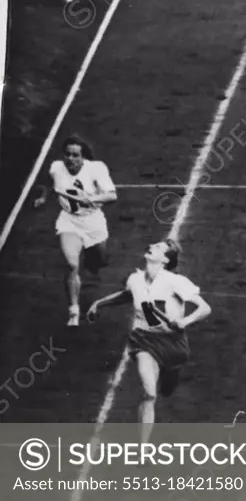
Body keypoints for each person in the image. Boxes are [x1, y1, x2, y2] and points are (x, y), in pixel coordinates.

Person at [86, 239, 211, 443]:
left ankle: (171, 371)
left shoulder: (175, 281)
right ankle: (143, 447)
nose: (153, 245)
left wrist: (184, 321)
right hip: (143, 340)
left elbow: (205, 308)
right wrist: (100, 303)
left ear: (164, 260)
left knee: (167, 386)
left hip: (172, 343)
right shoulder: (135, 279)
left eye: (160, 247)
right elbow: (128, 295)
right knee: (149, 393)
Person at [32, 135, 118, 326]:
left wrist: (93, 199)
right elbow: (47, 183)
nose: (70, 158)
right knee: (72, 265)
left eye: (75, 155)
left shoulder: (96, 169)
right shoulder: (56, 168)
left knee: (99, 261)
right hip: (69, 221)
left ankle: (92, 260)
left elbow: (112, 195)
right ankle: (74, 310)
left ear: (83, 157)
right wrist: (43, 197)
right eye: (68, 154)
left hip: (93, 222)